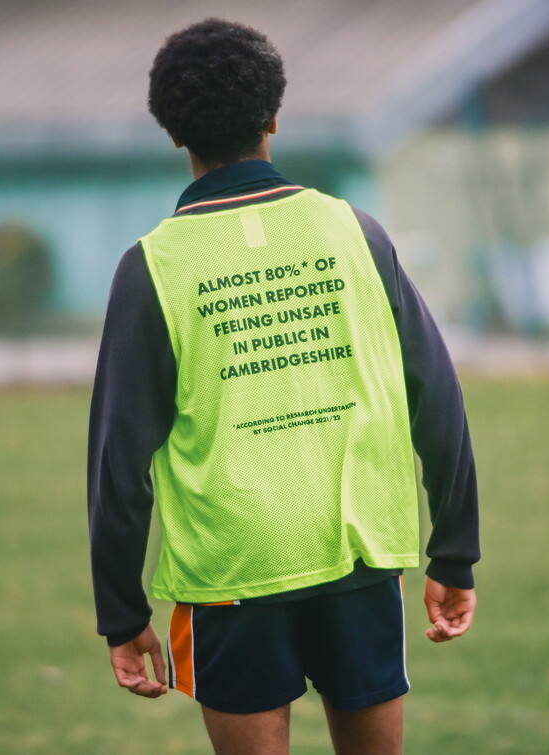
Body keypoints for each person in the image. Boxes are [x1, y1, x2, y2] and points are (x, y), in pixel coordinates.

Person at [87, 18, 479, 754]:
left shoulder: (153, 268)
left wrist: (121, 608)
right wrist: (453, 550)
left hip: (229, 573)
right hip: (357, 554)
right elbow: (436, 394)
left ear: (174, 134)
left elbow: (119, 461)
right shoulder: (354, 232)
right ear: (274, 117)